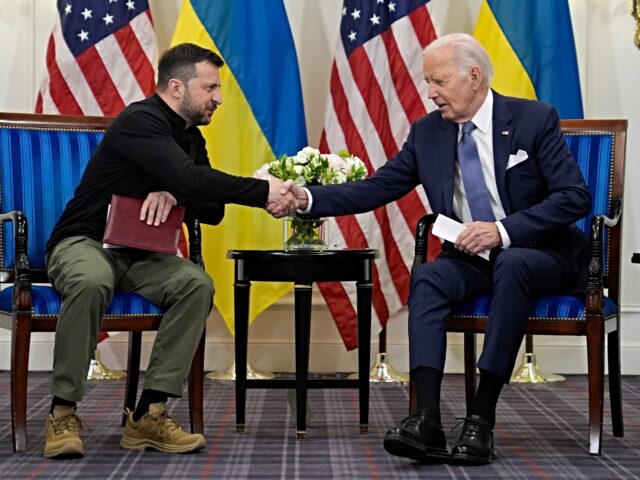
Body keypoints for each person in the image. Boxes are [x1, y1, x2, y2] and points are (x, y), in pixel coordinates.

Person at [276, 33, 591, 465]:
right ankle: (427, 418)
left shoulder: (533, 119)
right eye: (428, 82)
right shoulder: (428, 132)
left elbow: (574, 197)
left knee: (514, 263)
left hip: (539, 254)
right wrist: (307, 200)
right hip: (472, 260)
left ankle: (481, 419)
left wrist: (502, 230)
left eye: (438, 81)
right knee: (428, 276)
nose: (431, 93)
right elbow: (379, 187)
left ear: (474, 76)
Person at [43, 43, 294, 459]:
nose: (218, 98)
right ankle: (62, 412)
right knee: (92, 279)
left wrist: (172, 187)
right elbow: (193, 179)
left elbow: (209, 209)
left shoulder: (190, 138)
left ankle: (148, 414)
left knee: (195, 284)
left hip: (139, 254)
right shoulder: (139, 120)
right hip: (83, 243)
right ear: (176, 87)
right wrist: (259, 190)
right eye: (210, 87)